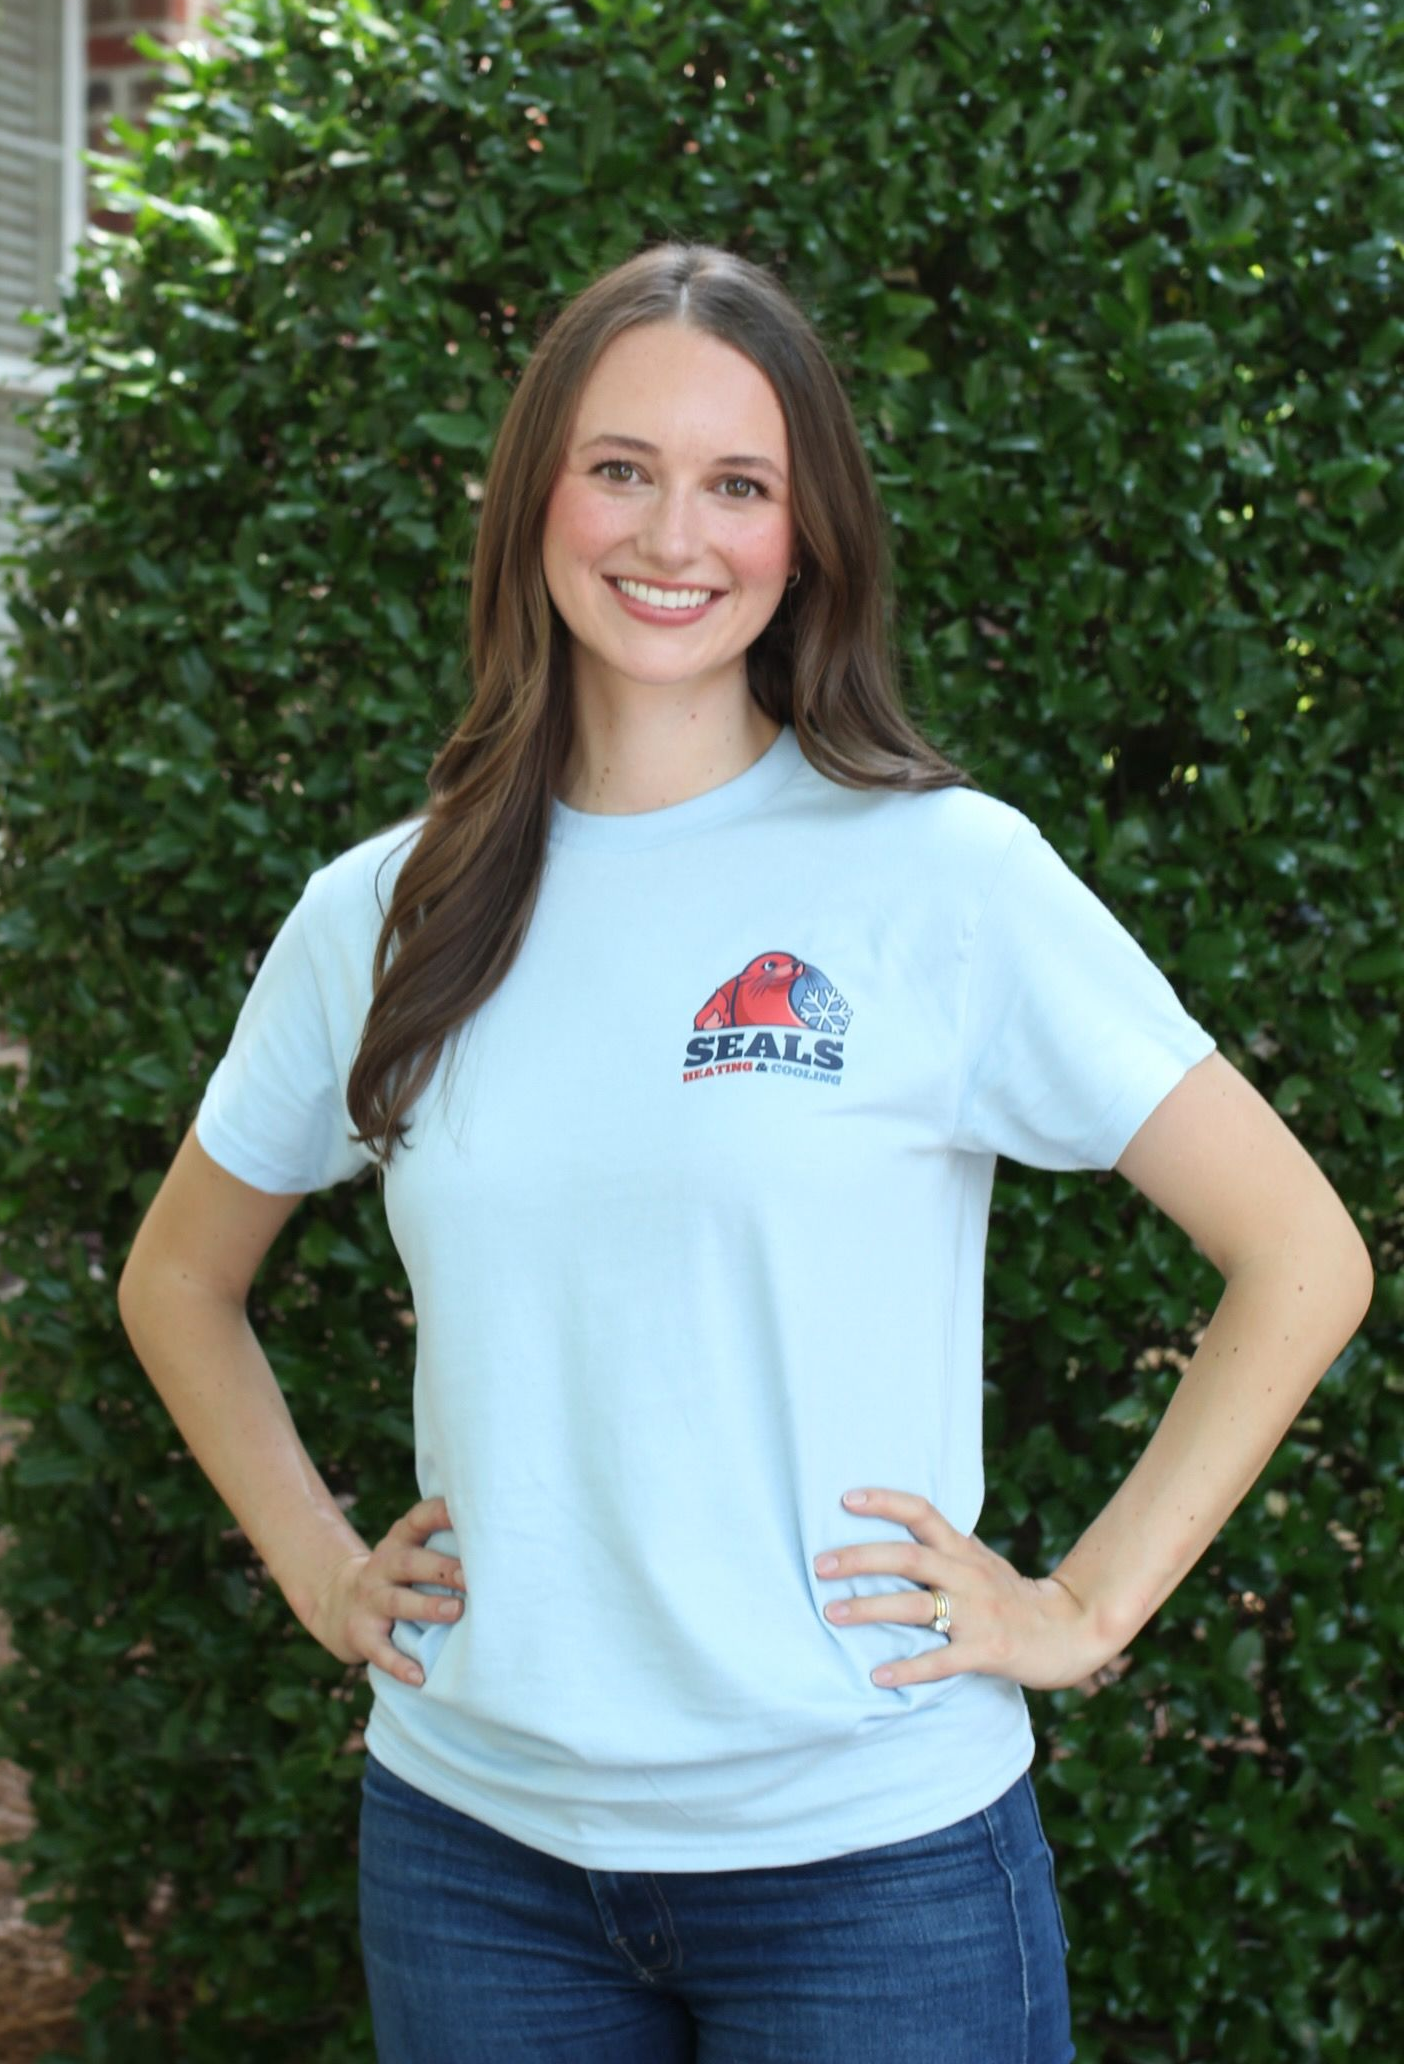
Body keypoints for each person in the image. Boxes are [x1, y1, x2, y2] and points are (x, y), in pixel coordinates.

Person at [117, 242, 1374, 2064]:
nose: (670, 535)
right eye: (621, 466)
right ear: (535, 493)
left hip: (872, 1870)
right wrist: (323, 1571)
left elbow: (1303, 1253)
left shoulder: (939, 877)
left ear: (806, 538)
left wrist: (1084, 1605)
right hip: (477, 1858)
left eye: (739, 484)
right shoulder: (385, 908)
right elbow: (177, 1279)